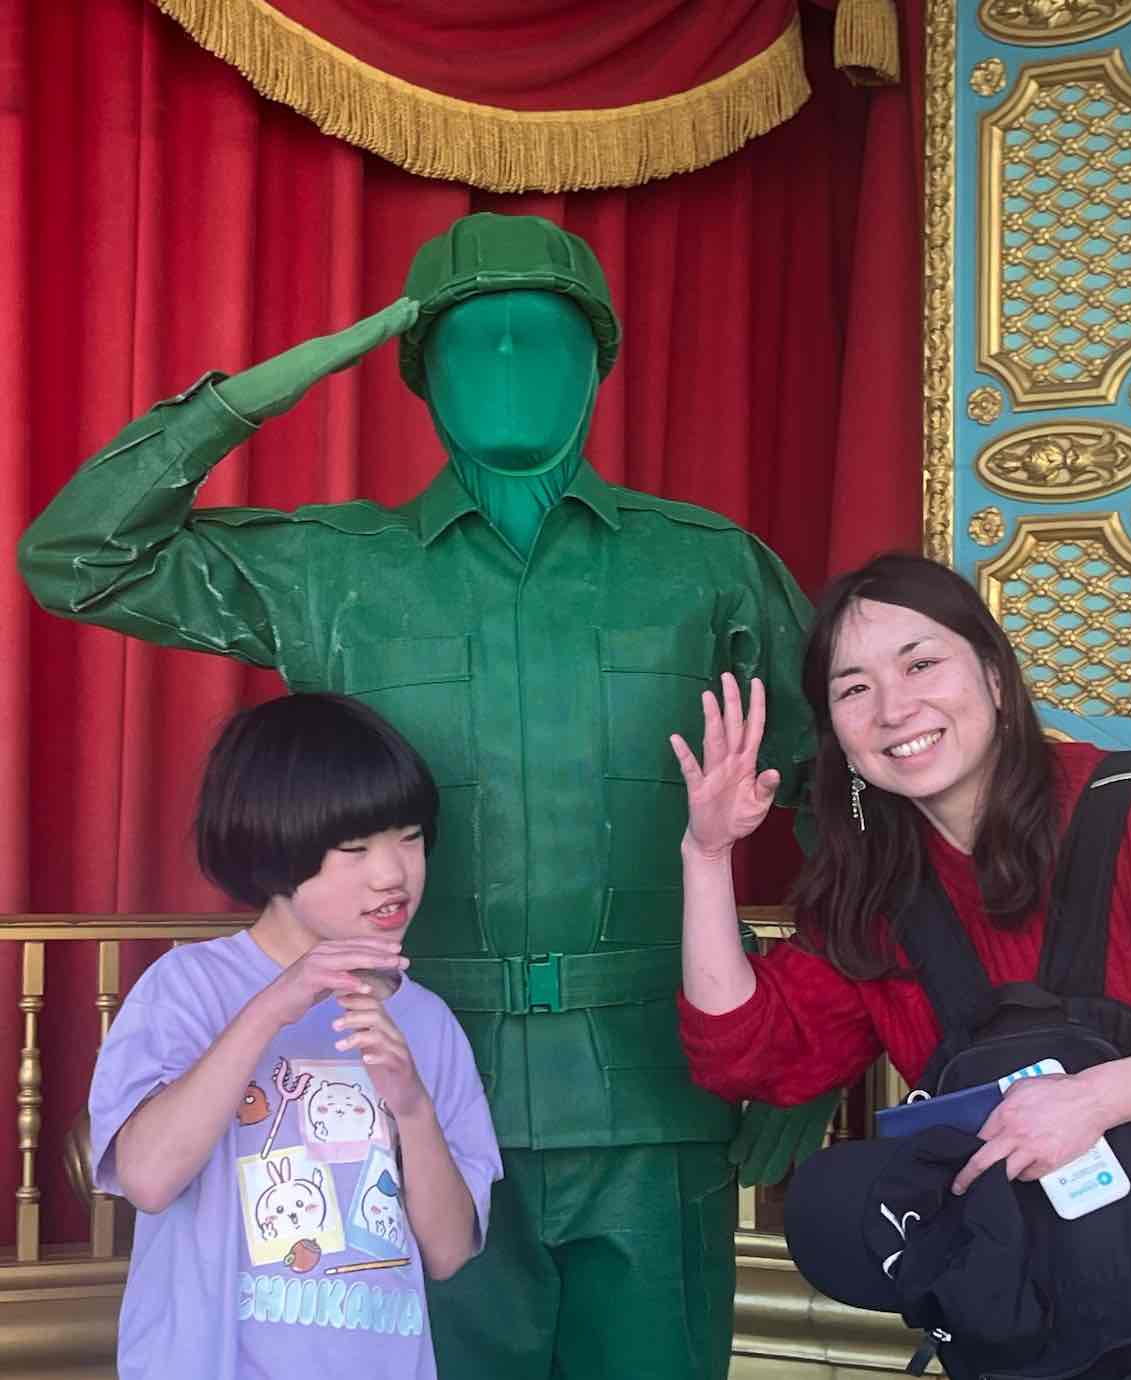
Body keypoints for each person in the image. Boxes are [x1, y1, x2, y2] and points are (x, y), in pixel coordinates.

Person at [20, 212, 832, 1380]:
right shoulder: (331, 568)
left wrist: (811, 1038)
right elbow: (77, 558)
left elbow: (842, 799)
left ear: (597, 363)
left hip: (652, 1103)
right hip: (403, 1094)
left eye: (540, 335)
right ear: (415, 371)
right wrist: (264, 386)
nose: (505, 361)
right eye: (467, 338)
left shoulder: (707, 567)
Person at [671, 553, 1131, 1343]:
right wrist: (707, 854)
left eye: (920, 664)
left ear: (994, 674)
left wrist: (1096, 1099)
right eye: (854, 689)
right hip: (1050, 1307)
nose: (893, 709)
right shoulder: (879, 896)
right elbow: (744, 1056)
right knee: (830, 1203)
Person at [87, 692, 502, 1380]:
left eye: (409, 837)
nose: (393, 873)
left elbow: (450, 1251)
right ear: (275, 851)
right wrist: (271, 1008)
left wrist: (411, 1107)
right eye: (353, 849)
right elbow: (149, 1180)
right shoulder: (186, 988)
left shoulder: (426, 1020)